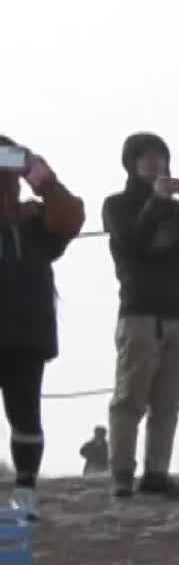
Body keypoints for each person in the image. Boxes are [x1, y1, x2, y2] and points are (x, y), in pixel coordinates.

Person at [101, 131, 179, 501]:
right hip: (139, 312)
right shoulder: (117, 205)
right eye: (145, 156)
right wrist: (155, 202)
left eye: (159, 156)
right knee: (129, 398)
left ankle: (157, 472)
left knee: (169, 400)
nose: (153, 162)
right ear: (131, 163)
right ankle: (121, 474)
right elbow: (133, 242)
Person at [0, 135, 86, 521]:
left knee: (25, 415)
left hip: (26, 333)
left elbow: (70, 220)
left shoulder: (34, 220)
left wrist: (44, 179)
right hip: (27, 331)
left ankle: (26, 493)